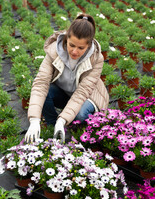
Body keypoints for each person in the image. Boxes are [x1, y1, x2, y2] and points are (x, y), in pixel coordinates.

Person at [24, 13, 109, 143]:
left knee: (80, 115)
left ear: (89, 45)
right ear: (66, 38)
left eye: (81, 48)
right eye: (71, 45)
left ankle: (79, 135)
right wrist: (34, 119)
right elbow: (41, 83)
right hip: (65, 93)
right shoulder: (54, 51)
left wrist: (63, 119)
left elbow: (82, 93)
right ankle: (54, 128)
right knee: (45, 91)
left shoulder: (96, 58)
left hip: (88, 97)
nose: (75, 51)